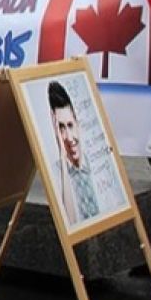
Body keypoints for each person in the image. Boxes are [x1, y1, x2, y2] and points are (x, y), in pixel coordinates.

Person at [47, 82, 99, 226]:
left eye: (70, 125)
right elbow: (69, 224)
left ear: (78, 123)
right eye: (61, 128)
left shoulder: (97, 162)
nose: (68, 137)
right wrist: (63, 157)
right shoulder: (56, 172)